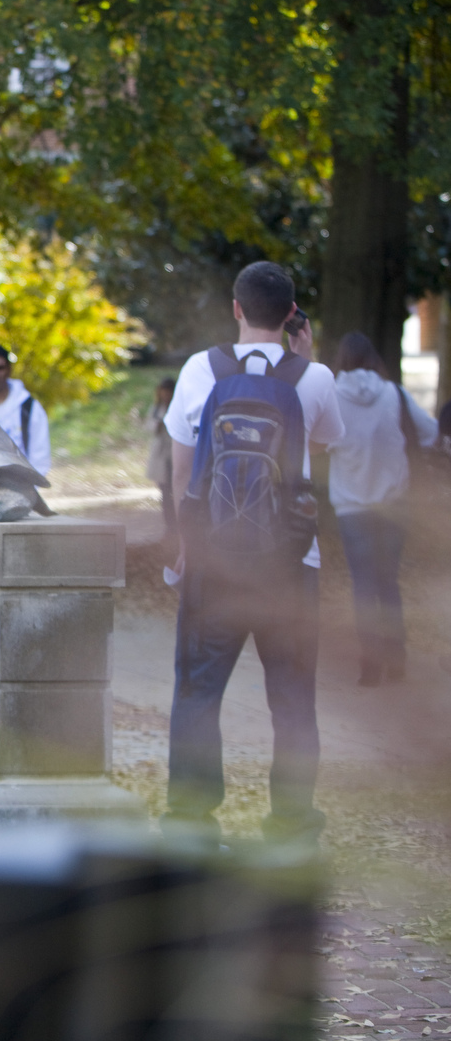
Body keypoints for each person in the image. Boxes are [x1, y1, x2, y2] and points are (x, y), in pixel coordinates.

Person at [162, 262, 344, 847]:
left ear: (236, 307)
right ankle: (291, 826)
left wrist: (185, 547)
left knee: (197, 692)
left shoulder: (199, 370)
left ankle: (190, 822)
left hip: (214, 567)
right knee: (292, 698)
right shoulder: (314, 378)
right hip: (290, 567)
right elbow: (319, 452)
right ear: (291, 313)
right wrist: (308, 356)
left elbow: (182, 470)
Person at [327, 332, 437, 686]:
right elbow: (431, 433)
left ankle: (369, 666)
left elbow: (316, 443)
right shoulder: (395, 394)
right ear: (373, 358)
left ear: (341, 360)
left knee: (362, 585)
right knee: (389, 583)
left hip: (351, 509)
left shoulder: (331, 398)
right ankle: (397, 658)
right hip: (393, 506)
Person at [0, 345, 52, 476]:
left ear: (9, 369)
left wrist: (30, 489)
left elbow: (40, 455)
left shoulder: (28, 407)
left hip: (20, 485)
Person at [146, 377, 177, 542]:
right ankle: (169, 526)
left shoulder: (178, 407)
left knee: (178, 490)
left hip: (176, 456)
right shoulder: (157, 408)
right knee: (165, 493)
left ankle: (178, 527)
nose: (165, 395)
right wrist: (158, 422)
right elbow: (149, 426)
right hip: (161, 457)